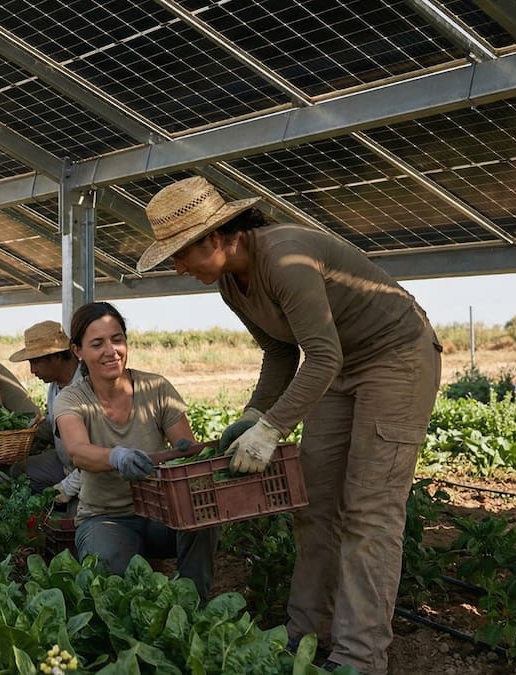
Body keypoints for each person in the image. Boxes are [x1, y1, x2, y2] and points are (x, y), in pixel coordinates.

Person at [138, 176, 443, 675]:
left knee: (369, 513)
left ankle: (358, 658)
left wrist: (273, 428)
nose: (178, 266)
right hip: (338, 368)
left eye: (180, 253)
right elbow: (282, 350)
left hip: (396, 356)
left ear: (214, 238)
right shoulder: (231, 287)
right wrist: (254, 415)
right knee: (314, 504)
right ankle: (304, 636)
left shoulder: (283, 257)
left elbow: (320, 357)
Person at [53, 301, 218, 599]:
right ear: (77, 351)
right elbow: (77, 451)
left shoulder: (156, 388)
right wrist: (116, 457)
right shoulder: (71, 399)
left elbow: (187, 451)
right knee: (111, 583)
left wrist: (186, 451)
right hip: (106, 516)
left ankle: (195, 603)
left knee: (201, 515)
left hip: (161, 512)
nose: (111, 351)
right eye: (97, 343)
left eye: (117, 339)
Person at [7, 320, 83, 504]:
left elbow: (102, 451)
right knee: (19, 471)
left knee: (74, 512)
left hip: (90, 473)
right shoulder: (55, 386)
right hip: (65, 464)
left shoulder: (87, 387)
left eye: (35, 362)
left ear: (56, 356)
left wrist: (67, 488)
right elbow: (52, 424)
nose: (32, 370)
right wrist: (23, 436)